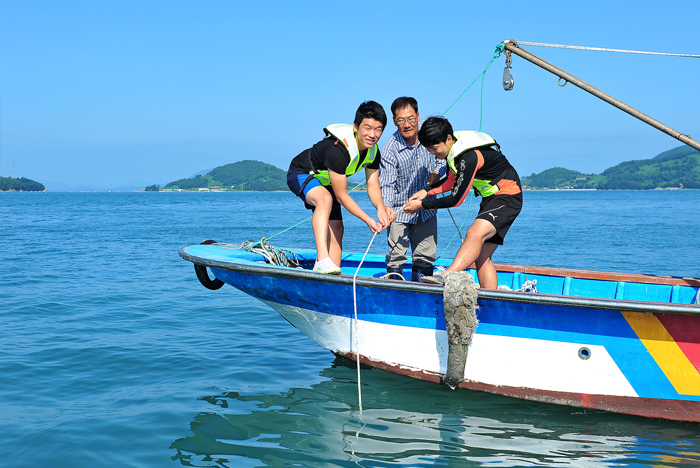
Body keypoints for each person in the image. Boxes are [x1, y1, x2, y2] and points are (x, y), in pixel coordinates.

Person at [403, 116, 522, 289]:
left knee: (474, 233)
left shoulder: (469, 157)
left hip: (508, 196)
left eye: (435, 148)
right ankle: (491, 301)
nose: (433, 153)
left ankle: (448, 274)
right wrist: (426, 192)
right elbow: (451, 181)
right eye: (429, 149)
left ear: (448, 139)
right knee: (482, 257)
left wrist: (421, 205)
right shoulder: (454, 152)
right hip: (492, 199)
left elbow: (456, 199)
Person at [287, 101, 392, 274]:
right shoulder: (338, 150)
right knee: (325, 199)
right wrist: (368, 220)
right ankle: (322, 259)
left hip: (326, 181)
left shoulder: (374, 152)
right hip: (302, 172)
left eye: (378, 129)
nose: (372, 134)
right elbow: (341, 196)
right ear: (356, 127)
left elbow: (373, 185)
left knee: (337, 227)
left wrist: (380, 208)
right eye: (367, 128)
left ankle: (333, 271)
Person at [379, 97, 446, 282]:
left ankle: (422, 295)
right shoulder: (390, 149)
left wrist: (436, 171)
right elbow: (387, 183)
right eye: (401, 120)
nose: (407, 124)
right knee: (396, 257)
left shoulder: (429, 130)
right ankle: (395, 290)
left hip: (426, 206)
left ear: (418, 116)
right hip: (400, 209)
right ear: (394, 121)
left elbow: (444, 155)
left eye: (410, 118)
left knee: (425, 256)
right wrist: (386, 208)